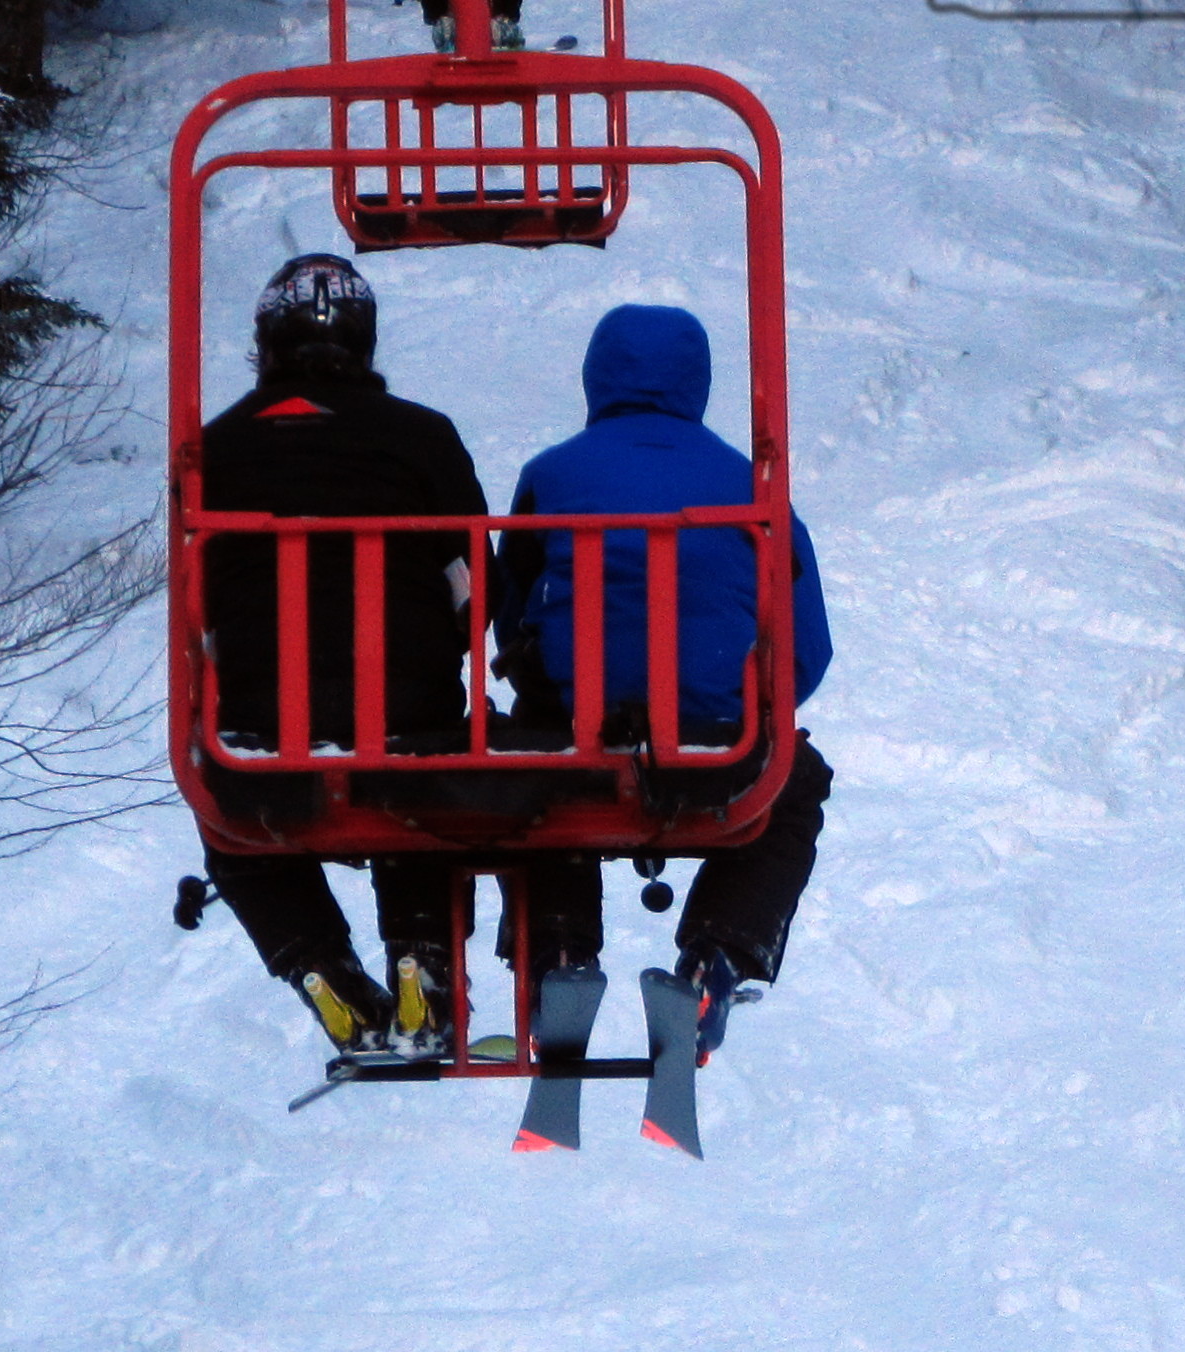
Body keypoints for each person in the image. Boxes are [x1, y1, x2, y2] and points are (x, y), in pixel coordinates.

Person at [491, 303, 835, 1059]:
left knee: (536, 785)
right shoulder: (752, 488)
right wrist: (747, 707)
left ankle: (557, 958)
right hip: (716, 741)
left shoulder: (550, 476)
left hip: (575, 740)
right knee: (791, 787)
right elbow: (805, 648)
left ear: (596, 375)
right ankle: (718, 957)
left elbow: (508, 614)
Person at [196, 254, 487, 1057]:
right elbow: (474, 587)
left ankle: (318, 963)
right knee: (415, 790)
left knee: (229, 820)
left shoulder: (214, 449)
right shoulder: (422, 437)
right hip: (406, 720)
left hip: (261, 728)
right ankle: (419, 961)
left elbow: (204, 599)